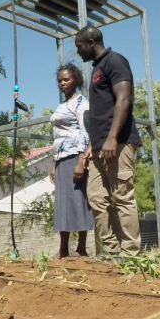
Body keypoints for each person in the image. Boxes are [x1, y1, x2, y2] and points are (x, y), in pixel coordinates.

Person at [74, 26, 141, 257]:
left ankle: (130, 253)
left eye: (79, 46)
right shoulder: (97, 69)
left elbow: (123, 100)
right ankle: (111, 251)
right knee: (96, 196)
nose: (78, 52)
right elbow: (100, 115)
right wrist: (92, 147)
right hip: (99, 145)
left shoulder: (115, 61)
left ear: (91, 42)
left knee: (121, 196)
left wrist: (112, 138)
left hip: (119, 142)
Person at [48, 63, 94, 258]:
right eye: (59, 80)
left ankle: (81, 248)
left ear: (76, 80)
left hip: (76, 156)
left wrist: (81, 160)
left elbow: (85, 132)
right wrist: (54, 163)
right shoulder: (62, 105)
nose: (62, 83)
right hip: (62, 158)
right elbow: (59, 137)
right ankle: (63, 249)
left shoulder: (81, 102)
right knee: (63, 203)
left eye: (66, 79)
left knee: (79, 199)